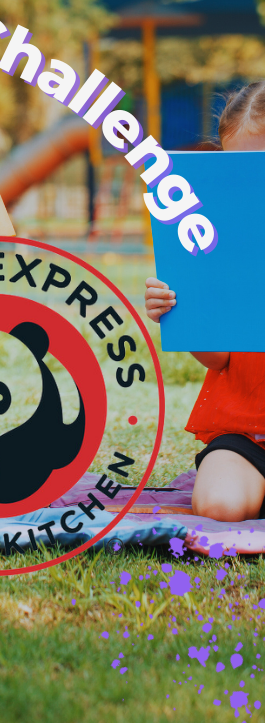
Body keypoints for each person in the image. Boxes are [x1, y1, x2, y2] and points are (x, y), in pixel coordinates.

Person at [145, 80, 265, 522]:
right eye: (241, 169)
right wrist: (182, 314)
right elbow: (218, 359)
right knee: (218, 506)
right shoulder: (212, 238)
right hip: (247, 434)